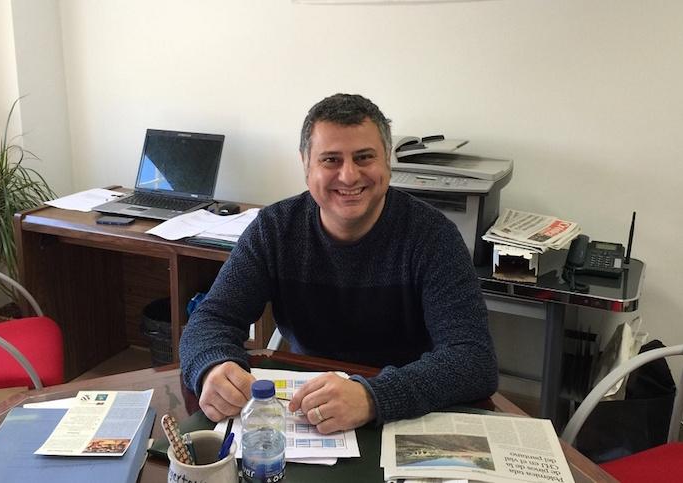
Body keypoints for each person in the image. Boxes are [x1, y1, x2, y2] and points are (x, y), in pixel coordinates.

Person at [180, 93, 497, 434]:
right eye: (331, 160)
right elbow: (211, 318)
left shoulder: (433, 236)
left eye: (364, 157)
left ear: (387, 161)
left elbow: (473, 358)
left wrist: (372, 396)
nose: (348, 176)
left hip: (404, 414)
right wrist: (213, 366)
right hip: (307, 408)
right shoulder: (274, 229)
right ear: (306, 164)